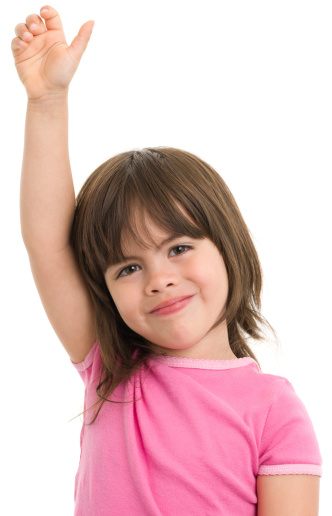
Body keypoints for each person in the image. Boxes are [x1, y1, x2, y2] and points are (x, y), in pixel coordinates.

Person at [11, 5, 322, 515]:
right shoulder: (110, 370)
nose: (158, 279)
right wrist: (47, 101)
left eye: (179, 248)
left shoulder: (275, 412)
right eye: (128, 268)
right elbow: (48, 242)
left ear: (229, 246)